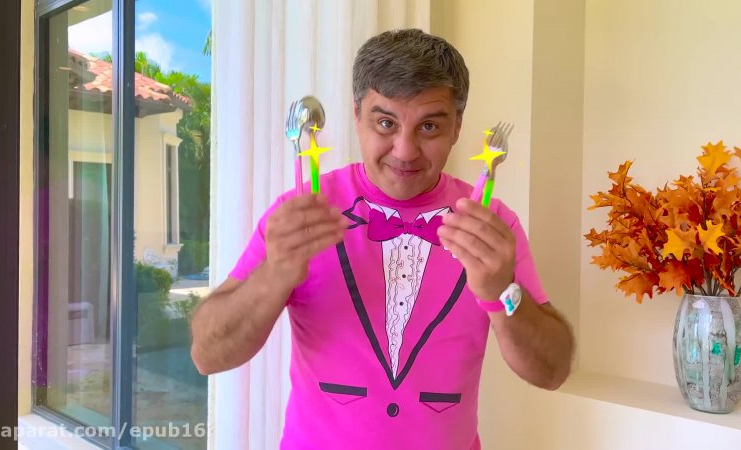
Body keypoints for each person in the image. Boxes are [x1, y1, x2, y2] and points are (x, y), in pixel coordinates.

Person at [190, 28, 574, 449]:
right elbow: (208, 355)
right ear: (357, 115)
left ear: (457, 127)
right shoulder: (301, 213)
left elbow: (551, 371)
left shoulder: (492, 224)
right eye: (386, 123)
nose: (405, 150)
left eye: (429, 126)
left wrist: (503, 292)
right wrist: (273, 275)